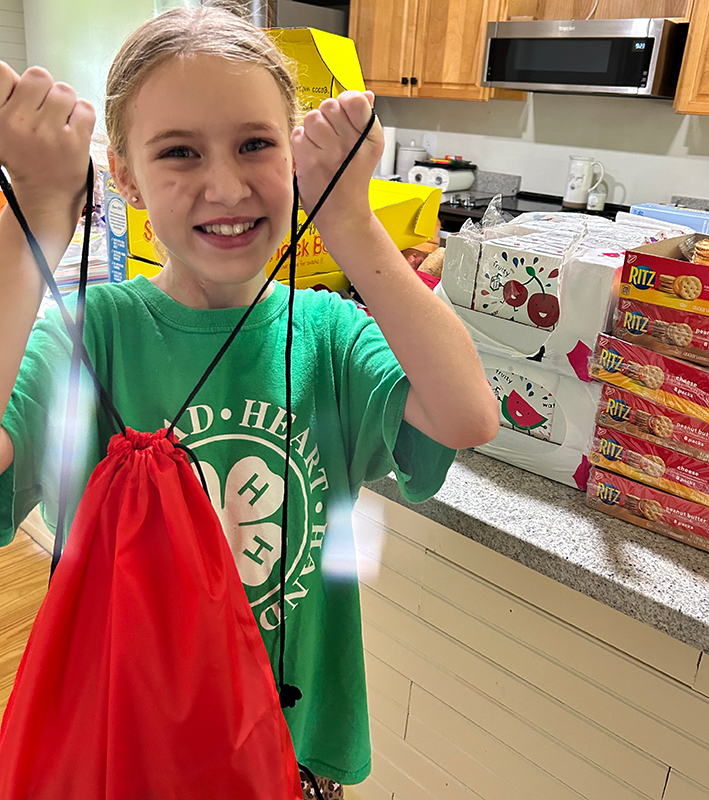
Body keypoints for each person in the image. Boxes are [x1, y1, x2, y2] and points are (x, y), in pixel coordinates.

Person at [0, 4, 499, 797]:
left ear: (294, 157)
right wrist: (35, 215)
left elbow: (466, 414)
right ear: (123, 175)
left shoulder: (329, 334)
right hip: (129, 736)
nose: (226, 186)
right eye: (179, 153)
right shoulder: (91, 338)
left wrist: (347, 216)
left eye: (255, 144)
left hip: (286, 738)